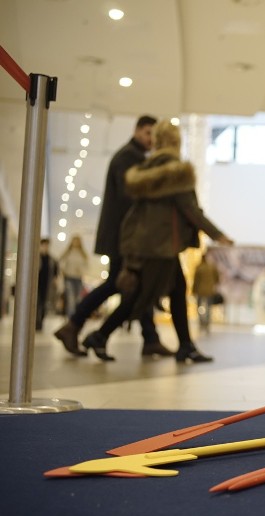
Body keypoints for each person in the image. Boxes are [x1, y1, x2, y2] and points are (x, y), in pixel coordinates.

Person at [80, 120, 233, 363]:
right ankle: (99, 336)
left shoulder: (145, 169)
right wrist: (218, 234)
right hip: (162, 246)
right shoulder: (176, 171)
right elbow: (190, 209)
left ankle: (185, 345)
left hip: (145, 244)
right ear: (176, 142)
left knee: (173, 292)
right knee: (140, 299)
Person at [53, 115, 173, 358]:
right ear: (137, 130)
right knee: (119, 284)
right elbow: (133, 198)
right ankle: (73, 325)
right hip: (123, 237)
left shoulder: (132, 156)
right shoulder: (130, 157)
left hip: (124, 235)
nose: (151, 139)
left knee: (137, 285)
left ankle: (149, 338)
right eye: (148, 133)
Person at [58, 234, 89, 317]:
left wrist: (80, 271)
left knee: (78, 299)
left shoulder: (83, 255)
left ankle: (76, 316)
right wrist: (64, 271)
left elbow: (86, 266)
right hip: (69, 278)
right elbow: (61, 263)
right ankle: (71, 317)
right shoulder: (68, 253)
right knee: (71, 298)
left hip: (78, 278)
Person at [192, 254, 220, 333]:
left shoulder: (199, 268)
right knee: (208, 308)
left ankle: (202, 322)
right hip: (209, 290)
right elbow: (217, 279)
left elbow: (196, 281)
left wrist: (193, 290)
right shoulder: (211, 268)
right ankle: (207, 323)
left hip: (200, 290)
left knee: (200, 307)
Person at [36, 238, 58, 331]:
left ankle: (40, 322)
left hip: (46, 285)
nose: (45, 247)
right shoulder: (37, 257)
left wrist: (55, 281)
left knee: (44, 303)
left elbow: (55, 273)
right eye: (44, 245)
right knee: (36, 303)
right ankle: (36, 321)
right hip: (37, 284)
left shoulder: (51, 260)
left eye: (47, 245)